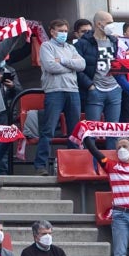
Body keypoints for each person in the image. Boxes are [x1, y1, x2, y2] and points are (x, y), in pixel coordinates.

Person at [34, 19, 86, 175]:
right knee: (48, 129)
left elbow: (82, 65)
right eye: (60, 30)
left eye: (65, 30)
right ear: (52, 31)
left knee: (74, 130)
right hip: (54, 91)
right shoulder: (46, 46)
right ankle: (40, 165)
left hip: (72, 91)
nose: (63, 33)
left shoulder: (71, 47)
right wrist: (71, 67)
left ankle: (74, 164)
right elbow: (51, 67)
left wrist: (62, 61)